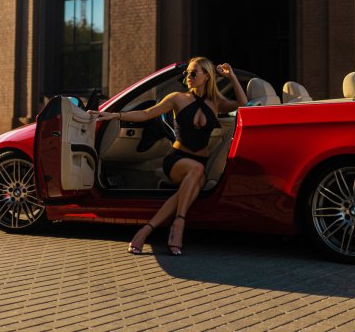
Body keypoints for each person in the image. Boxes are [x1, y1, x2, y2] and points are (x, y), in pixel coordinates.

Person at [93, 57, 248, 256]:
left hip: (199, 163)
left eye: (193, 73)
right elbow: (147, 113)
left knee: (188, 186)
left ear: (207, 76)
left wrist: (232, 77)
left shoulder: (215, 102)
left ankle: (145, 230)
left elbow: (244, 105)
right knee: (197, 172)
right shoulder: (177, 98)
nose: (188, 77)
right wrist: (115, 116)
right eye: (187, 73)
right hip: (177, 160)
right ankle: (179, 223)